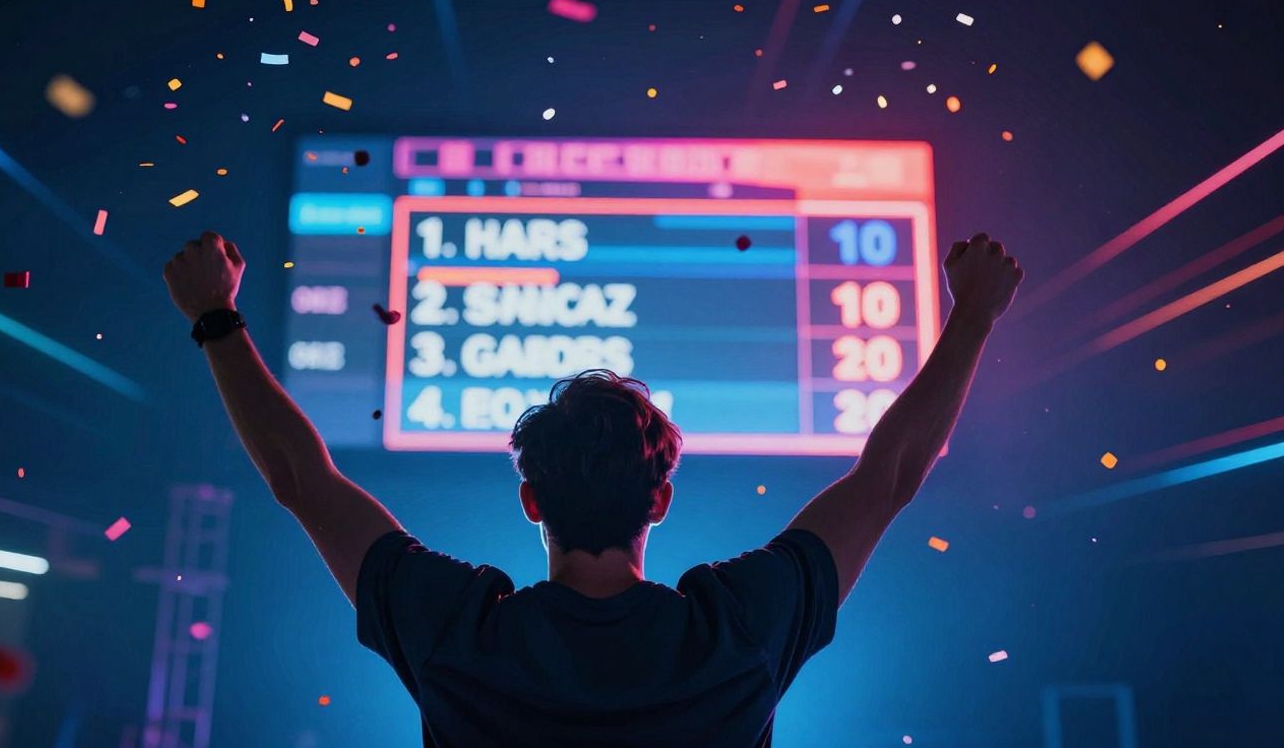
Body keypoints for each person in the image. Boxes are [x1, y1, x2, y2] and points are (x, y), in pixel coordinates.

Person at [163, 230, 1022, 747]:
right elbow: (893, 473)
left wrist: (216, 320)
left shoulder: (459, 634)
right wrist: (974, 315)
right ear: (662, 498)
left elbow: (301, 481)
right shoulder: (738, 632)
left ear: (532, 501)